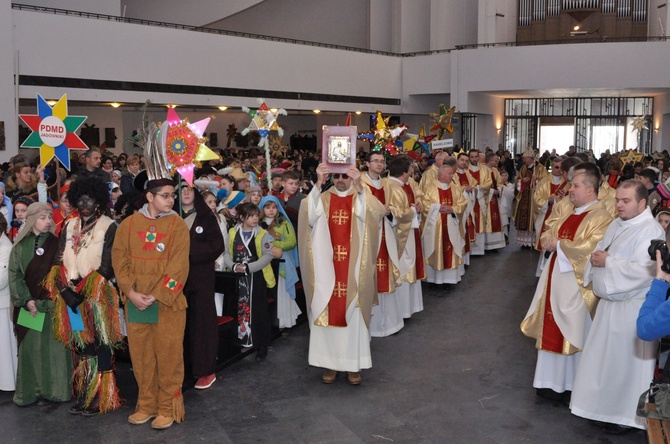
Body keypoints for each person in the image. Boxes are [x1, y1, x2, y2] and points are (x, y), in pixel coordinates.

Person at [569, 180, 664, 433]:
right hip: (609, 307)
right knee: (605, 363)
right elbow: (601, 250)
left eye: (625, 201)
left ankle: (624, 417)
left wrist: (608, 261)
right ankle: (602, 408)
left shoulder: (650, 230)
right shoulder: (617, 223)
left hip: (632, 308)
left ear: (642, 203)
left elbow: (645, 271)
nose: (619, 205)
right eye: (617, 200)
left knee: (626, 367)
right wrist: (598, 258)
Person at [521, 162, 613, 402]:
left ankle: (569, 385)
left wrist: (559, 244)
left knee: (573, 331)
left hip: (577, 287)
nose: (570, 189)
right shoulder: (570, 211)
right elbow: (548, 232)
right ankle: (548, 382)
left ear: (590, 189)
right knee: (551, 325)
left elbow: (591, 248)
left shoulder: (601, 217)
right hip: (555, 280)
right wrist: (549, 240)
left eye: (575, 186)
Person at [112, 177, 190, 429]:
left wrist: (156, 294)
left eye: (173, 195)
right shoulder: (128, 225)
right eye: (165, 196)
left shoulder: (178, 226)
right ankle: (146, 405)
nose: (171, 200)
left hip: (167, 303)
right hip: (136, 302)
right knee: (142, 356)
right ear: (150, 197)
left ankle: (167, 407)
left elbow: (179, 267)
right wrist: (131, 293)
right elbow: (119, 262)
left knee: (168, 356)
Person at [297, 163, 384, 385]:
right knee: (325, 314)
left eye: (345, 176)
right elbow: (308, 214)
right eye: (336, 176)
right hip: (327, 271)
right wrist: (317, 181)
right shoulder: (323, 198)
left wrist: (361, 187)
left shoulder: (361, 196)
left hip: (353, 270)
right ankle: (330, 365)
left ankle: (353, 366)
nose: (341, 180)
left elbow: (376, 213)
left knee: (353, 318)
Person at [45, 178, 122, 415]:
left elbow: (108, 266)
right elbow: (58, 261)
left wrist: (83, 290)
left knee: (102, 343)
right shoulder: (69, 226)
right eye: (80, 198)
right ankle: (87, 395)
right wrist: (65, 291)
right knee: (83, 345)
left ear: (99, 200)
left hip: (97, 297)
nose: (84, 203)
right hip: (71, 300)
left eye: (89, 198)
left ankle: (103, 396)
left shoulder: (109, 226)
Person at [10, 203, 72, 406]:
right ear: (31, 220)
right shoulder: (19, 247)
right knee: (31, 349)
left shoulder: (58, 244)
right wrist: (27, 301)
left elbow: (63, 275)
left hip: (52, 307)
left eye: (49, 217)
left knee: (54, 349)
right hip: (29, 309)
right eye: (42, 218)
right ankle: (31, 392)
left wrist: (44, 303)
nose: (48, 222)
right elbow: (15, 275)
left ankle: (57, 391)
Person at [178, 185, 224, 390]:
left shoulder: (205, 217)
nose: (186, 193)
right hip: (175, 281)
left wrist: (187, 252)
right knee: (179, 327)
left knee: (201, 325)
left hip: (200, 280)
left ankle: (205, 370)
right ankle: (183, 369)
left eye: (189, 189)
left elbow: (217, 246)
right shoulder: (169, 216)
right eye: (181, 190)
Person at [223, 202, 275, 359]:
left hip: (255, 275)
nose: (254, 219)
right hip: (237, 276)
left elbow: (268, 255)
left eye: (256, 215)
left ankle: (261, 344)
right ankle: (242, 341)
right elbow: (226, 252)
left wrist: (249, 267)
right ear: (241, 217)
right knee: (239, 307)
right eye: (251, 216)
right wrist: (233, 266)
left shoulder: (262, 234)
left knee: (258, 310)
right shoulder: (232, 232)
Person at [361, 152, 404, 337]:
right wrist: (377, 211)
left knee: (386, 276)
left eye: (381, 161)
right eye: (375, 161)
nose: (379, 164)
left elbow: (398, 207)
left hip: (386, 234)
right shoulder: (359, 184)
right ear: (367, 164)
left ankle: (390, 324)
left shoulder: (388, 184)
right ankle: (372, 325)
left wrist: (389, 211)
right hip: (368, 236)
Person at [387, 155, 424, 318]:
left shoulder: (407, 184)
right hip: (401, 235)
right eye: (411, 166)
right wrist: (413, 211)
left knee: (411, 266)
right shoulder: (392, 187)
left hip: (411, 233)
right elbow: (396, 213)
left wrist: (419, 206)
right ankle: (401, 310)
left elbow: (418, 199)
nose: (413, 168)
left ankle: (410, 307)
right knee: (403, 268)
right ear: (405, 170)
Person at [260, 196, 301, 335]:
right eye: (267, 207)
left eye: (274, 207)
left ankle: (285, 322)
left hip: (282, 261)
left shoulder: (283, 222)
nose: (271, 210)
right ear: (262, 208)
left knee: (282, 292)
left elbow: (292, 242)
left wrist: (275, 244)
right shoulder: (258, 223)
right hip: (265, 263)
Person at [421, 162, 468, 285]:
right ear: (441, 174)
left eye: (452, 173)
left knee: (450, 248)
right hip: (435, 228)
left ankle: (449, 279)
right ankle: (433, 279)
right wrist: (437, 207)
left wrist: (452, 209)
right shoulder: (429, 188)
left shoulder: (455, 188)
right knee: (436, 249)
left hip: (451, 225)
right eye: (449, 173)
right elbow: (424, 204)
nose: (452, 176)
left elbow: (463, 203)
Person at [514, 147, 548, 248]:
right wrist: (522, 181)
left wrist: (536, 180)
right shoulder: (524, 168)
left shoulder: (540, 168)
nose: (524, 160)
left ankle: (533, 242)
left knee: (533, 217)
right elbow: (517, 179)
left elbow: (545, 181)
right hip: (524, 196)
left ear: (531, 158)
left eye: (526, 158)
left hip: (534, 197)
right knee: (523, 217)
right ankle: (524, 242)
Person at [0, 213, 16, 391]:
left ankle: (6, 383)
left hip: (3, 305)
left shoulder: (5, 247)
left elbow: (2, 279)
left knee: (4, 347)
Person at [483, 152, 506, 251]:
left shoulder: (495, 171)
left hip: (494, 200)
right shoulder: (482, 170)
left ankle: (494, 245)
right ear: (490, 160)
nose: (497, 162)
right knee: (486, 220)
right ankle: (485, 244)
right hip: (485, 200)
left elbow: (500, 183)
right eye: (496, 160)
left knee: (495, 219)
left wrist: (499, 190)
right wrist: (492, 191)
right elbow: (482, 185)